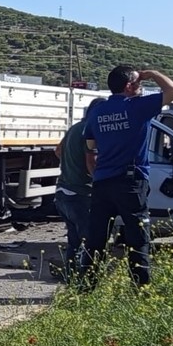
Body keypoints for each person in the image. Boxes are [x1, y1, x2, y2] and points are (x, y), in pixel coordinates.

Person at [75, 66, 173, 288]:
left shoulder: (97, 111)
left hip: (103, 182)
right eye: (139, 83)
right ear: (129, 86)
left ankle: (87, 286)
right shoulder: (137, 107)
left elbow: (91, 148)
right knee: (138, 237)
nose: (142, 87)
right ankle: (140, 288)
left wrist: (99, 174)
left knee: (96, 238)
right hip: (131, 181)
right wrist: (153, 73)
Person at [52, 98, 104, 280]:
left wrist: (71, 165)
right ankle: (86, 279)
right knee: (89, 239)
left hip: (63, 192)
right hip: (80, 193)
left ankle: (71, 275)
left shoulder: (74, 128)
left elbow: (58, 151)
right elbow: (91, 162)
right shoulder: (90, 131)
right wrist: (100, 182)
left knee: (74, 241)